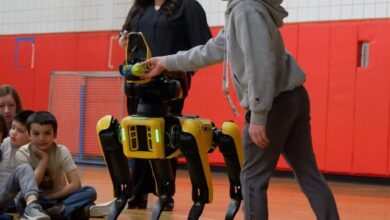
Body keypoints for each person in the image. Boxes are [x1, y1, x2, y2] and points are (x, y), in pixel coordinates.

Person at [140, 0, 340, 219]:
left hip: (273, 103)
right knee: (308, 174)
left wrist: (259, 114)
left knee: (252, 179)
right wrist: (166, 62)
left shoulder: (246, 8)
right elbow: (212, 50)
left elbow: (260, 65)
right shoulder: (248, 7)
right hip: (293, 97)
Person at [118, 0, 212, 211]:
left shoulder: (187, 6)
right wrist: (123, 40)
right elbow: (127, 37)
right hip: (137, 82)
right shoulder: (140, 7)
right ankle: (138, 191)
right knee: (138, 135)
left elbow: (203, 46)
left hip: (169, 82)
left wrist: (183, 70)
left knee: (165, 137)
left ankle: (165, 190)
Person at [15, 111, 97, 220]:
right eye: (36, 133)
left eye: (47, 133)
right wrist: (44, 159)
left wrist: (51, 196)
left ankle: (52, 213)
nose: (41, 138)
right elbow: (30, 186)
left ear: (55, 134)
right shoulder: (22, 153)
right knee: (20, 199)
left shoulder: (61, 151)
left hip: (59, 197)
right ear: (29, 135)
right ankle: (69, 212)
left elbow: (76, 184)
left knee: (90, 191)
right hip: (34, 199)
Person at [0, 110, 50, 220]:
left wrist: (43, 160)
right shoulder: (5, 144)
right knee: (24, 169)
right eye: (13, 127)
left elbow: (34, 184)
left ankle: (32, 210)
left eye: (20, 131)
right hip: (3, 197)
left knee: (87, 191)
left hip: (18, 201)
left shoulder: (35, 152)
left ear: (29, 135)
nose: (13, 132)